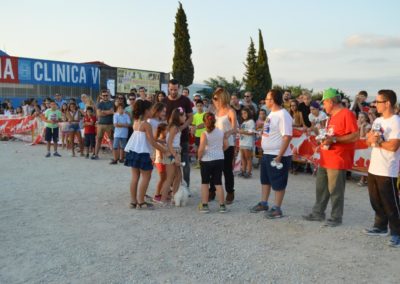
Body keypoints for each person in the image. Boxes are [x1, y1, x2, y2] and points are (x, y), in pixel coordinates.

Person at [303, 88, 359, 227]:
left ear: (331, 101)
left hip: (338, 158)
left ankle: (336, 217)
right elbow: (332, 135)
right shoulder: (332, 117)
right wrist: (323, 139)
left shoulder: (346, 114)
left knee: (335, 190)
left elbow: (355, 135)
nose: (323, 106)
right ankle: (318, 213)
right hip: (326, 157)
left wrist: (334, 140)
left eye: (324, 103)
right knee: (321, 188)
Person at [363, 89, 400, 247]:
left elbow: (394, 146)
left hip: (387, 169)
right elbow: (368, 141)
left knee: (391, 203)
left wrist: (377, 142)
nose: (374, 104)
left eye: (378, 102)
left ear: (387, 103)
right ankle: (380, 227)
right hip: (374, 167)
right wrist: (370, 139)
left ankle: (397, 233)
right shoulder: (377, 121)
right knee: (375, 200)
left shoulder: (396, 121)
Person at [250, 89, 293, 219]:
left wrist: (279, 156)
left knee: (278, 182)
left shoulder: (283, 115)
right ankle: (264, 203)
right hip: (268, 153)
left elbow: (287, 136)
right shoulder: (271, 114)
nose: (265, 100)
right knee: (266, 180)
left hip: (277, 155)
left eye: (267, 98)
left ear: (273, 100)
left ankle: (277, 208)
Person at [124, 99, 167, 209]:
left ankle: (133, 202)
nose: (152, 112)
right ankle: (141, 201)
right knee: (146, 177)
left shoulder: (136, 122)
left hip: (133, 151)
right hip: (143, 153)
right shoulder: (146, 124)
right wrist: (164, 150)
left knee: (135, 177)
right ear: (146, 111)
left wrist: (160, 142)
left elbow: (145, 138)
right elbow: (151, 141)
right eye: (150, 109)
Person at [164, 79, 193, 190]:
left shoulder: (185, 100)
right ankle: (172, 187)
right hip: (170, 139)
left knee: (185, 163)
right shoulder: (165, 101)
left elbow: (190, 117)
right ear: (168, 88)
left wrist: (181, 128)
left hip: (183, 137)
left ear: (179, 88)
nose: (173, 91)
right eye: (171, 89)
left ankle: (186, 186)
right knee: (170, 165)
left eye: (175, 89)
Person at [209, 88, 237, 204]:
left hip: (227, 145)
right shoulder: (216, 111)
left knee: (227, 170)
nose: (214, 100)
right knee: (213, 168)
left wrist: (228, 133)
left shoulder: (231, 111)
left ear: (222, 98)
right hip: (215, 143)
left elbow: (235, 128)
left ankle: (230, 192)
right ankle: (212, 191)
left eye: (216, 98)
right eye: (213, 98)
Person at [198, 112, 229, 213]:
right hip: (219, 159)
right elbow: (226, 145)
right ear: (214, 121)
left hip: (206, 160)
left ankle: (205, 205)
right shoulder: (221, 132)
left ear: (204, 121)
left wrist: (199, 157)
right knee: (218, 183)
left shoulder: (204, 134)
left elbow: (201, 149)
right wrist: (219, 151)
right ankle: (222, 206)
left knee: (205, 183)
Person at [159, 108, 186, 204]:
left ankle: (174, 197)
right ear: (179, 116)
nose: (185, 117)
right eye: (184, 116)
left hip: (175, 152)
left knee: (178, 175)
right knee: (170, 177)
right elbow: (169, 143)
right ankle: (163, 199)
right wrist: (175, 155)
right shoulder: (174, 127)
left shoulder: (176, 127)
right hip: (171, 153)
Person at [92, 89, 114, 160]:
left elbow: (112, 112)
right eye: (104, 95)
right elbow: (98, 114)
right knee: (98, 140)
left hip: (110, 124)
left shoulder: (112, 103)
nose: (105, 96)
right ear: (101, 96)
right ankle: (96, 155)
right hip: (101, 124)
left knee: (112, 140)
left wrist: (103, 112)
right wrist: (108, 112)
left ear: (108, 95)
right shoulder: (99, 103)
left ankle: (115, 156)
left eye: (106, 95)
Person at [152, 123, 168, 203]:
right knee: (162, 179)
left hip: (163, 162)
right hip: (161, 162)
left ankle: (162, 193)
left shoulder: (163, 140)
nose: (168, 132)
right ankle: (157, 195)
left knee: (165, 179)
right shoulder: (159, 141)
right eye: (166, 130)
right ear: (162, 131)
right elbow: (161, 155)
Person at [238, 107, 255, 178]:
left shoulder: (251, 121)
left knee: (248, 158)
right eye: (242, 114)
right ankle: (243, 171)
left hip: (247, 142)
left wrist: (242, 131)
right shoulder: (244, 122)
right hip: (242, 142)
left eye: (245, 113)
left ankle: (249, 172)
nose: (243, 115)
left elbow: (252, 132)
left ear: (249, 113)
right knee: (243, 158)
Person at [192, 100, 206, 169]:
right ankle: (198, 163)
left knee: (204, 149)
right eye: (198, 106)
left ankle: (204, 162)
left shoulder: (205, 114)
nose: (199, 107)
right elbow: (193, 125)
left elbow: (206, 124)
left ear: (203, 106)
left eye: (200, 106)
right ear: (196, 107)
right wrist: (192, 131)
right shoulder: (195, 116)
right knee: (197, 149)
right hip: (197, 135)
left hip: (205, 135)